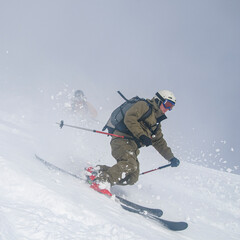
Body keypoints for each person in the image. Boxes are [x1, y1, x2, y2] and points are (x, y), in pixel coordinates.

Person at [86, 90, 180, 195]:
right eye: (167, 104)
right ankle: (102, 181)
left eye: (171, 107)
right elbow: (129, 118)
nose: (168, 109)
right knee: (130, 164)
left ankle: (98, 171)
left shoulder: (156, 122)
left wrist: (171, 158)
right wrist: (142, 135)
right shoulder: (144, 106)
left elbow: (158, 141)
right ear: (158, 100)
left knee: (132, 177)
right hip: (121, 138)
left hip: (132, 146)